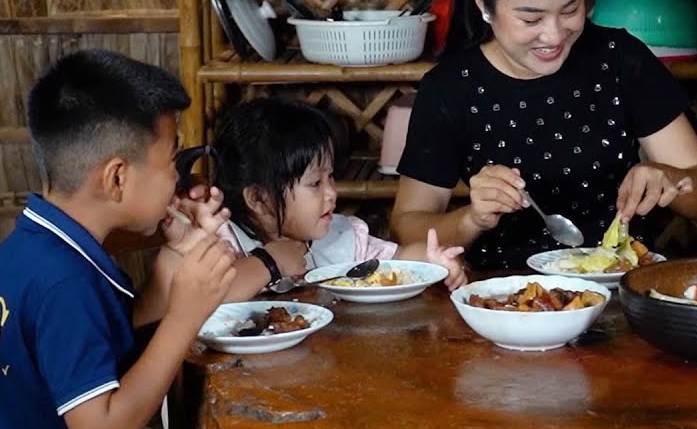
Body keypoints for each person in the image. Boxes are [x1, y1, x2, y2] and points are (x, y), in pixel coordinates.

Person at [391, 0, 697, 269]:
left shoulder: (619, 59)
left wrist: (671, 180)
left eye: (570, 10)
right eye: (531, 19)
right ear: (483, 4)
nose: (553, 35)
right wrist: (472, 218)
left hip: (619, 284)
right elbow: (408, 226)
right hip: (498, 294)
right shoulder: (451, 87)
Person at [0, 50, 235, 429]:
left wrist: (176, 256)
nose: (178, 180)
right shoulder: (65, 283)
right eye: (171, 162)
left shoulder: (30, 248)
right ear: (118, 177)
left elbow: (100, 343)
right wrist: (185, 316)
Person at [151, 97, 466, 302]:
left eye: (331, 177)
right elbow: (204, 297)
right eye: (315, 183)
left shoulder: (340, 237)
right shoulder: (220, 240)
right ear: (258, 199)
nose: (331, 193)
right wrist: (270, 263)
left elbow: (397, 261)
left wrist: (432, 262)